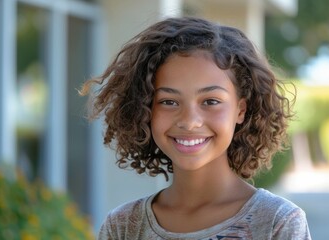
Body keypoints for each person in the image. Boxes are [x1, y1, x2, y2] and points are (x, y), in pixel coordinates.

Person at [81, 17, 312, 240]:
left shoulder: (277, 222)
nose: (190, 121)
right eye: (169, 102)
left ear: (240, 110)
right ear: (145, 110)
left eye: (211, 101)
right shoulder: (123, 225)